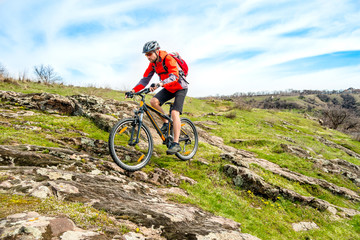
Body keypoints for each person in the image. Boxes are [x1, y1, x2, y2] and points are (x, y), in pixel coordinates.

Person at [126, 41, 188, 154]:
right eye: (146, 55)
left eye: (149, 54)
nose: (148, 57)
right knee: (154, 101)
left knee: (175, 113)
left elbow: (174, 76)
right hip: (169, 88)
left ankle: (176, 143)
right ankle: (166, 123)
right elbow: (145, 79)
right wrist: (133, 90)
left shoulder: (168, 59)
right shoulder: (153, 64)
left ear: (157, 51)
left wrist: (160, 84)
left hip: (180, 87)